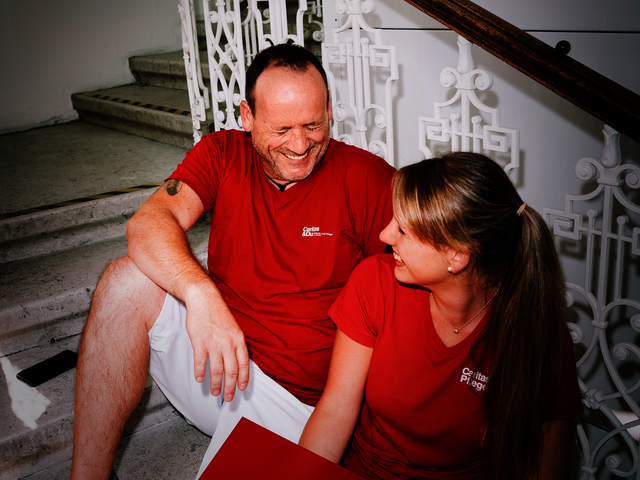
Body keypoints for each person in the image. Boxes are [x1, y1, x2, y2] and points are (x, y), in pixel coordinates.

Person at [71, 43, 395, 479]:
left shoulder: (369, 179)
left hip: (299, 406)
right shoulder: (222, 152)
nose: (300, 145)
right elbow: (147, 225)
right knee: (124, 279)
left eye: (313, 125)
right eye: (281, 129)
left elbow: (411, 296)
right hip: (219, 364)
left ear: (330, 112)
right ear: (247, 117)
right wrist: (201, 295)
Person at [299, 152, 583, 479]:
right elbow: (336, 410)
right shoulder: (374, 280)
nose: (385, 236)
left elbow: (546, 460)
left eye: (403, 231)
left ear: (456, 256)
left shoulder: (535, 330)